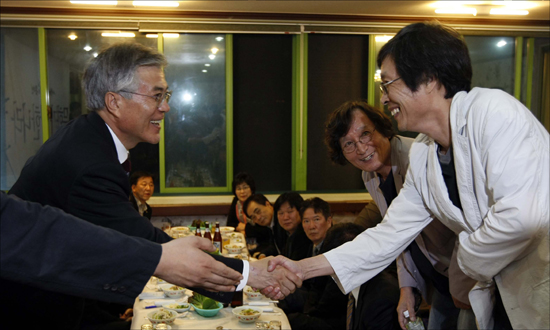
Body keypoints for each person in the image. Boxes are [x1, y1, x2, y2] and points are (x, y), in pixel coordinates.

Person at [268, 21, 549, 330]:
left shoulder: (494, 113)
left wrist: (462, 267)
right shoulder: (425, 153)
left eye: (388, 84)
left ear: (428, 78)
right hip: (492, 291)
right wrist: (301, 267)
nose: (385, 98)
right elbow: (390, 234)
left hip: (537, 283)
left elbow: (521, 218)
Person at [5, 42, 300, 329]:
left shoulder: (90, 137)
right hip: (38, 310)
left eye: (166, 94)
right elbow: (146, 243)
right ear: (114, 102)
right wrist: (249, 273)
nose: (166, 107)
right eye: (157, 96)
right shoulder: (89, 162)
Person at [325, 100, 476, 329]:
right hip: (438, 281)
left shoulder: (417, 157)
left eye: (365, 134)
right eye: (349, 144)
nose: (361, 148)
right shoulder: (370, 177)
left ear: (381, 127)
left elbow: (465, 225)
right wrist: (407, 289)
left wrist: (461, 283)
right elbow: (397, 235)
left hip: (467, 275)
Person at [243, 193, 286, 258]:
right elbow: (274, 246)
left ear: (267, 204)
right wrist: (262, 254)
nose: (258, 218)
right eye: (253, 217)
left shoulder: (282, 221)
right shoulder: (271, 225)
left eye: (258, 211)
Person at [273, 192, 311, 261]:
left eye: (290, 211)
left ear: (301, 211)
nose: (285, 217)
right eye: (281, 213)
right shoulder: (287, 233)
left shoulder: (305, 235)